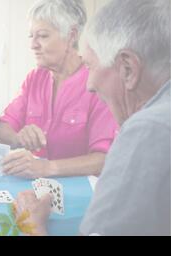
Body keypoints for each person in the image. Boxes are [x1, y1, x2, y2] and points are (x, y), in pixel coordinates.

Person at [13, 0, 170, 236]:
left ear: (128, 68)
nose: (89, 84)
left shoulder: (147, 132)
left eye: (91, 65)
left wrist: (32, 226)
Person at [0, 0, 118, 179]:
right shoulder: (34, 78)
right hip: (33, 191)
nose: (33, 45)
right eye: (31, 36)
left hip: (78, 196)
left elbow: (103, 159)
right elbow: (1, 129)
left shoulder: (96, 83)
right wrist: (18, 138)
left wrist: (47, 168)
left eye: (43, 36)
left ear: (71, 36)